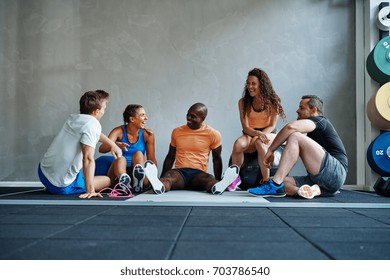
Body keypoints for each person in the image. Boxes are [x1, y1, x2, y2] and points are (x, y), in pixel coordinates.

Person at [247, 95, 348, 199]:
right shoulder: (311, 131)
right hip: (320, 180)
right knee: (272, 180)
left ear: (314, 110)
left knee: (294, 135)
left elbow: (291, 128)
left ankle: (274, 184)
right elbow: (285, 140)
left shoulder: (321, 121)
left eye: (302, 108)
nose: (297, 110)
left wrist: (271, 150)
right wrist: (262, 140)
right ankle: (307, 191)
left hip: (336, 171)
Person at [38, 90, 122, 199]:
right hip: (60, 185)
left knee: (90, 170)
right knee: (107, 180)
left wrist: (112, 144)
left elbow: (95, 134)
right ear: (97, 111)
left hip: (43, 171)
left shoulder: (74, 118)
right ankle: (86, 185)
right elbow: (87, 158)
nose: (104, 111)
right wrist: (90, 190)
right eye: (104, 108)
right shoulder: (93, 125)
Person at [141, 102, 239, 195]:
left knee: (209, 179)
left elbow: (217, 159)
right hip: (179, 173)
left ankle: (219, 185)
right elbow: (170, 157)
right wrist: (162, 176)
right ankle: (159, 184)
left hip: (198, 174)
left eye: (193, 116)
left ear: (202, 118)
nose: (188, 118)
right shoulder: (177, 132)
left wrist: (217, 179)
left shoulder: (213, 134)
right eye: (188, 114)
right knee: (169, 178)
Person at [228, 68, 285, 191]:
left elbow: (272, 125)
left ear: (262, 84)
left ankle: (266, 181)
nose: (250, 86)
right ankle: (235, 178)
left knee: (259, 143)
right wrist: (255, 134)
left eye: (253, 83)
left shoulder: (273, 101)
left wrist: (259, 136)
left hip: (269, 133)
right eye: (248, 83)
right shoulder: (243, 102)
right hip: (251, 132)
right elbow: (245, 127)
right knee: (238, 144)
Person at [98, 104, 157, 193]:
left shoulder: (147, 134)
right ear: (132, 119)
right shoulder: (118, 131)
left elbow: (151, 159)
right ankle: (124, 181)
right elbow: (101, 149)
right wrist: (115, 145)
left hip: (138, 169)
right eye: (142, 115)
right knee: (120, 158)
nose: (146, 118)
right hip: (118, 172)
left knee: (139, 154)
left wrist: (155, 179)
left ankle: (137, 182)